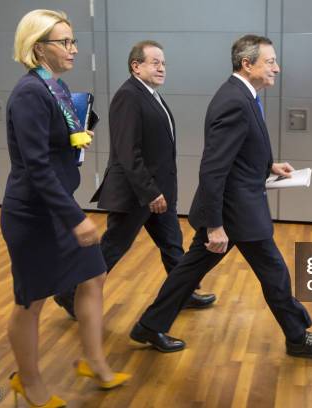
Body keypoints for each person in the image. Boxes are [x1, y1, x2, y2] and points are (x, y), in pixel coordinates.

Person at [130, 35, 312, 356]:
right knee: (274, 272)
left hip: (234, 207)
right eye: (270, 62)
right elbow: (213, 168)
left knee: (190, 271)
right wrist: (215, 225)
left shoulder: (244, 95)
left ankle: (149, 325)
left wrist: (270, 165)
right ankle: (298, 338)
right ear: (247, 63)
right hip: (235, 212)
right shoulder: (234, 101)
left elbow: (237, 153)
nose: (277, 68)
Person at [1, 9, 129, 407]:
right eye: (65, 42)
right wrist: (75, 218)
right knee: (31, 301)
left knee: (93, 275)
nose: (74, 49)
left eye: (73, 40)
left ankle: (94, 362)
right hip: (34, 215)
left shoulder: (55, 87)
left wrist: (77, 136)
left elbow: (54, 146)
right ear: (39, 48)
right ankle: (30, 382)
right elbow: (36, 167)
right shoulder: (29, 94)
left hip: (58, 207)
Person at [53, 41, 215, 320]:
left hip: (156, 192)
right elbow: (128, 152)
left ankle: (182, 292)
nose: (162, 68)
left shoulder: (150, 95)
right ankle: (69, 294)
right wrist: (150, 192)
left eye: (163, 63)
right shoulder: (129, 96)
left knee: (172, 244)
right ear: (136, 66)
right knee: (113, 247)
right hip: (136, 193)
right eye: (155, 62)